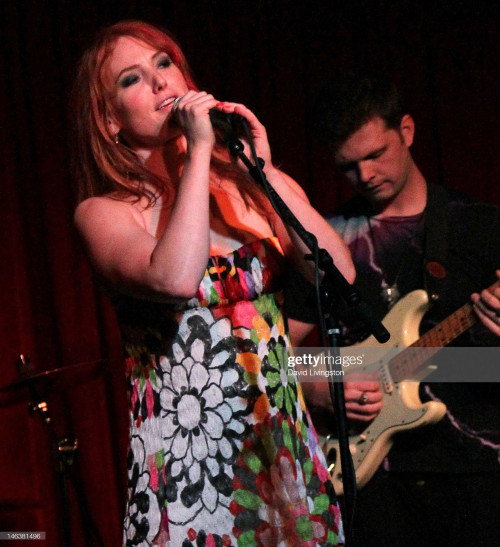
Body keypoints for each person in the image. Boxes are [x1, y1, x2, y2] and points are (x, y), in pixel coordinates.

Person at [72, 20, 355, 547]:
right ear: (110, 120)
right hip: (190, 461)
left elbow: (337, 274)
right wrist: (199, 151)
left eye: (164, 63)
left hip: (280, 443)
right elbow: (176, 276)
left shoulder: (247, 182)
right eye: (131, 79)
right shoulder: (105, 213)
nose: (160, 84)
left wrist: (263, 170)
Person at [293, 69, 500, 546]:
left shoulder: (481, 227)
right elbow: (277, 356)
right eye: (348, 166)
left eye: (374, 155)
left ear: (405, 131)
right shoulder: (326, 243)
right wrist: (313, 383)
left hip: (476, 472)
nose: (365, 175)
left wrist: (492, 341)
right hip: (372, 482)